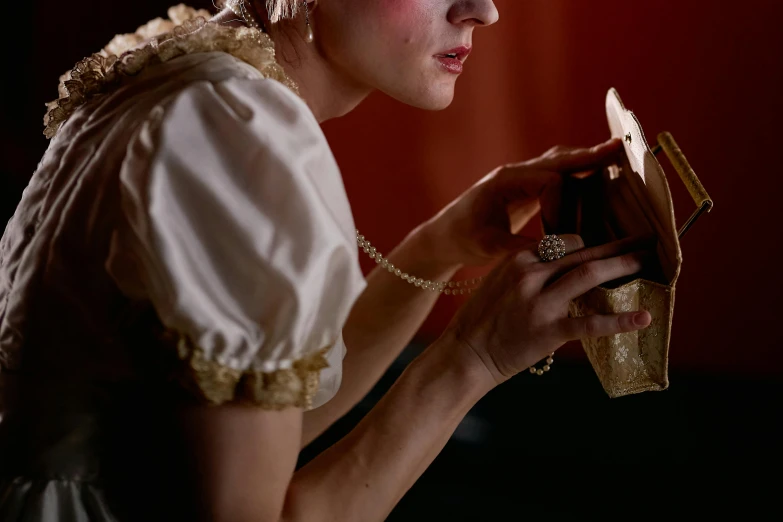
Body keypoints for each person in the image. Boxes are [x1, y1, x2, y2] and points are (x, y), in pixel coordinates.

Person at [0, 1, 653, 520]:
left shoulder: (189, 73)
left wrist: (440, 245)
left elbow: (255, 429)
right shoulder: (233, 130)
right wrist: (471, 361)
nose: (482, 10)